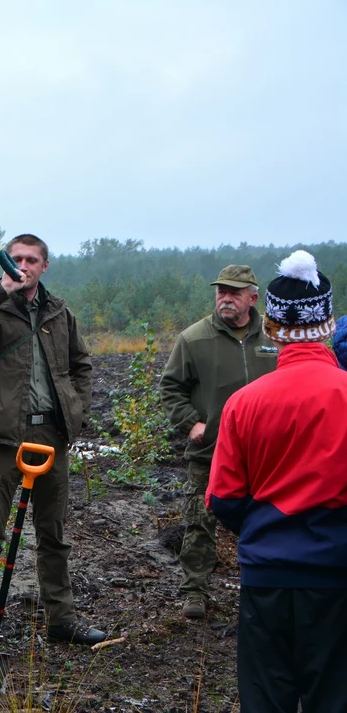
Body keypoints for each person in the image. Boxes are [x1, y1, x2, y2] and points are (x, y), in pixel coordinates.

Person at [0, 233, 106, 650]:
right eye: (16, 258)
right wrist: (1, 289)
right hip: (1, 437)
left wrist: (78, 409)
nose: (23, 265)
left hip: (51, 434)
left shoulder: (59, 312)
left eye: (31, 260)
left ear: (44, 265)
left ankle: (61, 619)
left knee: (53, 534)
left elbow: (81, 364)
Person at [208, 250, 347, 712]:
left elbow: (224, 498)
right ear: (328, 323)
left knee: (266, 701)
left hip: (267, 578)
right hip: (337, 579)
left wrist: (265, 530)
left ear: (270, 326)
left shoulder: (245, 403)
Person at [160, 265, 278, 619]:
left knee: (269, 520)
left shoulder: (274, 339)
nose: (226, 298)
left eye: (235, 292)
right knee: (200, 521)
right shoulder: (194, 339)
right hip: (210, 451)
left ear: (253, 298)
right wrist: (190, 423)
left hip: (264, 454)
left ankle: (265, 587)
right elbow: (171, 387)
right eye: (221, 291)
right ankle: (195, 592)